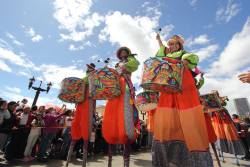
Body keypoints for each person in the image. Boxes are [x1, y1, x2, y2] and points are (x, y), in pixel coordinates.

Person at [152, 34, 213, 166]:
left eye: (176, 44)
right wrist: (159, 40)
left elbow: (191, 59)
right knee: (167, 121)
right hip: (168, 87)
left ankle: (195, 158)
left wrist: (180, 63)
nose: (173, 46)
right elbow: (162, 50)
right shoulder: (166, 56)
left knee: (188, 117)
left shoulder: (184, 54)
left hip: (184, 84)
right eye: (172, 44)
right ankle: (168, 156)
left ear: (180, 46)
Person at [102, 46, 139, 166]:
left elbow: (135, 64)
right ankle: (109, 160)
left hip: (125, 85)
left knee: (126, 112)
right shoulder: (117, 64)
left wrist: (126, 66)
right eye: (121, 52)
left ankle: (126, 160)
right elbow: (113, 76)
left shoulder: (129, 60)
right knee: (112, 111)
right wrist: (108, 71)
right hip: (116, 87)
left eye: (125, 52)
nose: (123, 53)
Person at [69, 62, 97, 167]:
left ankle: (82, 151)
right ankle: (75, 151)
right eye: (88, 68)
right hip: (82, 100)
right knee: (78, 121)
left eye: (90, 68)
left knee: (86, 128)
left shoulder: (92, 77)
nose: (89, 69)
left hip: (89, 100)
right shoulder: (85, 77)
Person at [211, 90, 246, 165]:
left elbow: (224, 103)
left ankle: (235, 153)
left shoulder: (222, 101)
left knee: (229, 133)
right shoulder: (211, 103)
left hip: (224, 119)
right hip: (216, 119)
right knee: (218, 134)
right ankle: (221, 151)